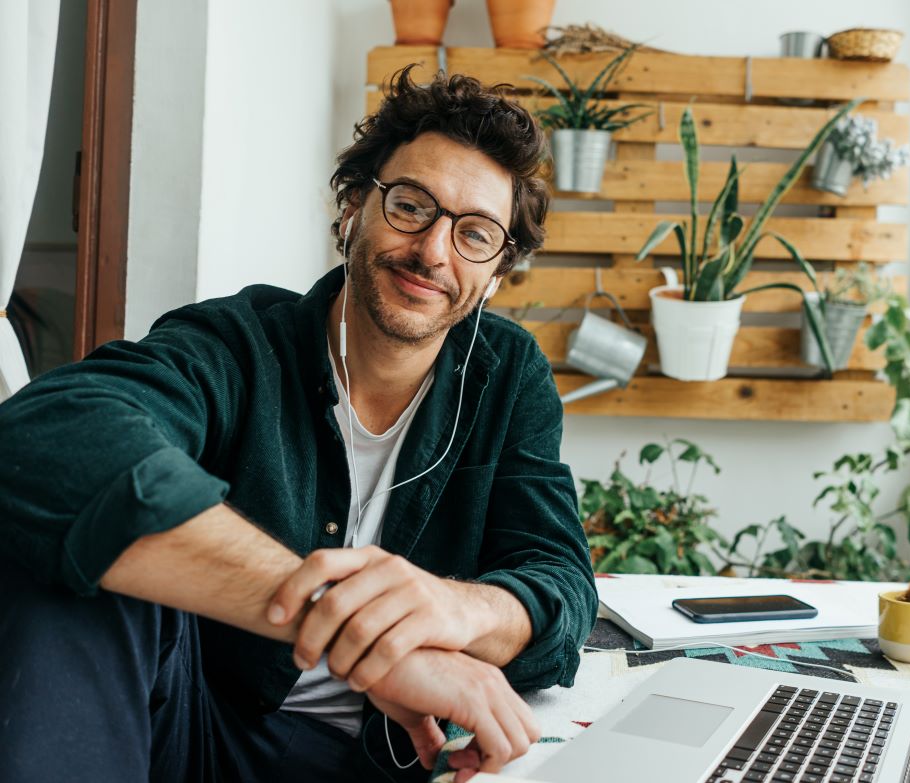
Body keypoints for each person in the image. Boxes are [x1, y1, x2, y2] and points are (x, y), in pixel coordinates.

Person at [0, 66, 597, 783]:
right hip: (203, 731)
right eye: (410, 205)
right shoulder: (239, 341)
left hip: (403, 761)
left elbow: (559, 579)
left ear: (497, 271)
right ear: (352, 208)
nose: (434, 251)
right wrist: (352, 629)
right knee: (75, 547)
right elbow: (50, 437)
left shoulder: (508, 374)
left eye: (475, 234)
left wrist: (458, 609)